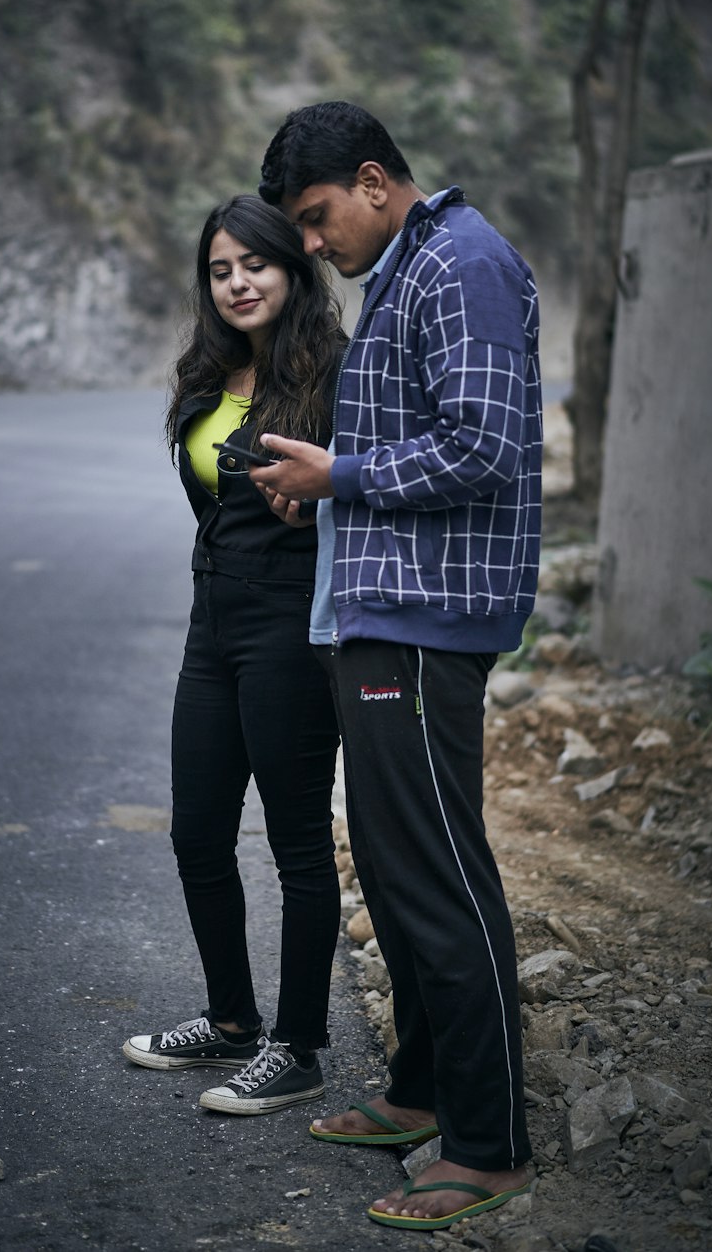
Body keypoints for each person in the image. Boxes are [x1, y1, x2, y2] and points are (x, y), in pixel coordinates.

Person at [250, 101, 541, 1230]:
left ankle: (490, 1141)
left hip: (427, 622)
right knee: (396, 862)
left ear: (375, 179)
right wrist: (323, 480)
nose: (312, 245)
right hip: (385, 614)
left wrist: (344, 477)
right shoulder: (411, 265)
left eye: (318, 219)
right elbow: (413, 441)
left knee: (437, 876)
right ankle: (421, 1093)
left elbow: (486, 443)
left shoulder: (459, 261)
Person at [123, 193, 347, 1114]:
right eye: (219, 270)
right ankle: (229, 1023)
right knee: (199, 834)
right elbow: (212, 503)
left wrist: (321, 503)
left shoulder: (336, 373)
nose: (237, 283)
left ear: (292, 269)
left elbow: (365, 493)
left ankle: (296, 1047)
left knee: (297, 846)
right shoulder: (210, 380)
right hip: (211, 621)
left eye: (253, 263)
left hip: (292, 628)